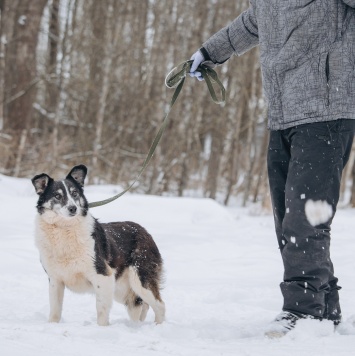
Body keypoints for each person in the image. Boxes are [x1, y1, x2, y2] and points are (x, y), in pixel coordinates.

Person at [189, 0, 355, 337]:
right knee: (287, 217)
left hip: (327, 110)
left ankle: (303, 311)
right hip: (283, 115)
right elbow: (251, 24)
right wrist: (209, 51)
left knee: (305, 218)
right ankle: (324, 307)